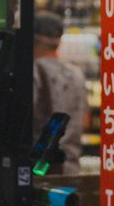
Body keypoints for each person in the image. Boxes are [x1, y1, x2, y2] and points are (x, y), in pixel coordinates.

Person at [32, 11, 87, 170]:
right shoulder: (76, 74)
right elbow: (85, 120)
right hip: (71, 166)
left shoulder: (33, 72)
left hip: (40, 169)